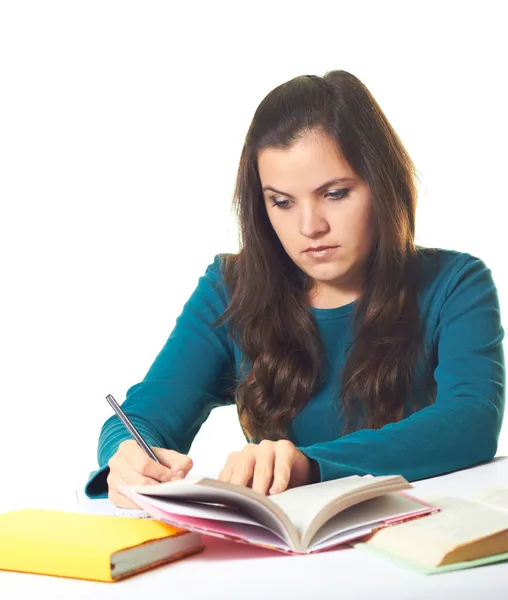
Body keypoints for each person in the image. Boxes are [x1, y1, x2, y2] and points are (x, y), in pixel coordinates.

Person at [85, 70, 505, 509]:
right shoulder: (230, 288)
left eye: (335, 194)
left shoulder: (456, 282)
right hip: (282, 560)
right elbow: (144, 414)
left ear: (382, 185)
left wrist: (309, 465)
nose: (310, 227)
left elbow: (472, 419)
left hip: (418, 543)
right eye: (281, 202)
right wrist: (127, 456)